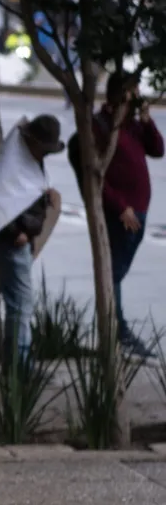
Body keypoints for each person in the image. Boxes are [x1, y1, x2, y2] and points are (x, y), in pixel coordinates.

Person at [0, 115, 64, 365]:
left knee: (18, 305)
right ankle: (19, 369)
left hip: (14, 238)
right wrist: (18, 232)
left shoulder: (22, 160)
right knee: (21, 306)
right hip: (11, 242)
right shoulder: (15, 164)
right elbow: (0, 203)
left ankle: (17, 366)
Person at [94, 72, 161, 357]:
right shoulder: (101, 126)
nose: (137, 97)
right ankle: (118, 332)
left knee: (117, 272)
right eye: (133, 92)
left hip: (140, 210)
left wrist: (146, 120)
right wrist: (120, 206)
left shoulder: (131, 125)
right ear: (120, 94)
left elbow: (158, 150)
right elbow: (97, 176)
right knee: (114, 273)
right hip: (123, 213)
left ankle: (118, 331)